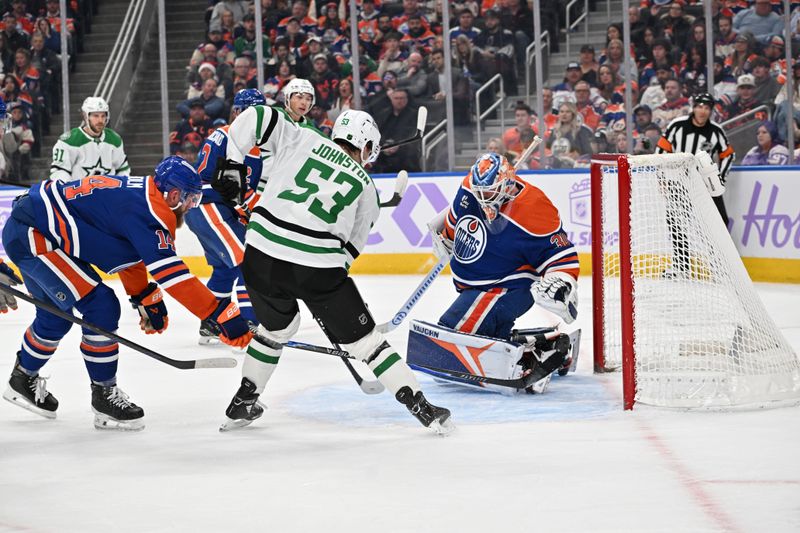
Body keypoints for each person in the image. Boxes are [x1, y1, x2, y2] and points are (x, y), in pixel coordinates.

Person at [212, 106, 453, 434]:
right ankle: (422, 408)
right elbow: (349, 250)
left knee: (275, 330)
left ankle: (242, 402)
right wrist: (331, 299)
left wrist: (232, 162)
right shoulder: (366, 186)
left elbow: (255, 116)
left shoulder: (302, 136)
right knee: (368, 344)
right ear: (365, 144)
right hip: (317, 269)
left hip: (260, 255)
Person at [1, 157, 252, 430]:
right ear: (175, 195)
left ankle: (22, 378)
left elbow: (127, 254)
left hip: (30, 229)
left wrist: (144, 295)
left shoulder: (145, 193)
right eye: (191, 199)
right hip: (35, 237)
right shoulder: (153, 212)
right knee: (101, 307)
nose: (192, 206)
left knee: (56, 319)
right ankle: (104, 395)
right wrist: (219, 313)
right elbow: (174, 275)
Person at [427, 153, 579, 384]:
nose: (482, 198)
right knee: (484, 341)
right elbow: (457, 214)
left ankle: (524, 363)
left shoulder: (534, 206)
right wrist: (446, 236)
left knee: (447, 346)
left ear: (507, 182)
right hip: (476, 288)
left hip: (507, 288)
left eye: (488, 192)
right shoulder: (470, 186)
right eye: (478, 191)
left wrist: (560, 281)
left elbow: (561, 254)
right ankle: (546, 347)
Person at [185, 89, 269, 344]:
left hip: (218, 210)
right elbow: (202, 182)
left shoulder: (257, 147)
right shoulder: (222, 137)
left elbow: (244, 190)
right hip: (207, 207)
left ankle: (211, 322)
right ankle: (248, 323)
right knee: (248, 262)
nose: (256, 119)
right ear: (236, 112)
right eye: (249, 112)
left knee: (224, 269)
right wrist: (242, 201)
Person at [656, 93, 734, 274]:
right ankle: (681, 265)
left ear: (711, 111)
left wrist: (719, 178)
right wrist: (661, 177)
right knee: (676, 222)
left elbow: (728, 154)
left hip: (706, 185)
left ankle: (719, 264)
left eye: (707, 108)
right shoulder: (677, 125)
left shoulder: (716, 131)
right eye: (699, 106)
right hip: (678, 182)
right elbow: (661, 150)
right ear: (694, 107)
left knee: (720, 221)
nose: (702, 111)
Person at [50, 97, 130, 182]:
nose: (100, 120)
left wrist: (119, 190)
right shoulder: (69, 141)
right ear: (85, 116)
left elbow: (122, 169)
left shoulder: (115, 139)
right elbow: (59, 172)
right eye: (96, 116)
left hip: (108, 193)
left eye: (103, 116)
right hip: (80, 194)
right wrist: (70, 191)